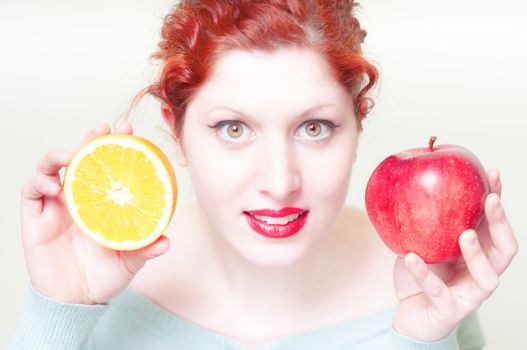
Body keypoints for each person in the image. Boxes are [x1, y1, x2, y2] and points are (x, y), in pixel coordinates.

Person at [9, 0, 518, 349]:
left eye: (314, 127)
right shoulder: (101, 281)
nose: (279, 182)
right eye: (233, 128)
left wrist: (423, 338)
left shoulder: (428, 278)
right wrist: (59, 312)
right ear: (176, 130)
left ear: (358, 123)